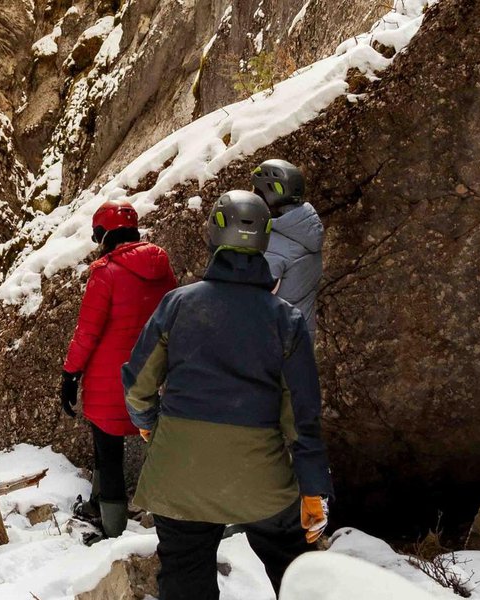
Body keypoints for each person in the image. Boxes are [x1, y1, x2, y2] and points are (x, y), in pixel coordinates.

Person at [123, 190, 333, 599]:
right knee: (294, 566)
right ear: (265, 240)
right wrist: (312, 488)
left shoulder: (178, 304)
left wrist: (150, 426)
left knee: (184, 571)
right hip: (260, 477)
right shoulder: (285, 319)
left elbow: (137, 385)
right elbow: (302, 416)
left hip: (179, 471)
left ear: (213, 237)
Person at [60, 200, 176, 543]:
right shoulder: (161, 264)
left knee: (107, 450)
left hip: (109, 376)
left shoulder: (105, 271)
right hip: (151, 372)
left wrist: (70, 374)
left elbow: (87, 331)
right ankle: (154, 510)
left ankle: (110, 528)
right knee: (151, 440)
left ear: (103, 234)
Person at [252, 159, 324, 338]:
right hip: (300, 337)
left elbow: (251, 300)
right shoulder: (304, 230)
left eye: (256, 192)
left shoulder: (274, 243)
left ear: (269, 195)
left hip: (274, 342)